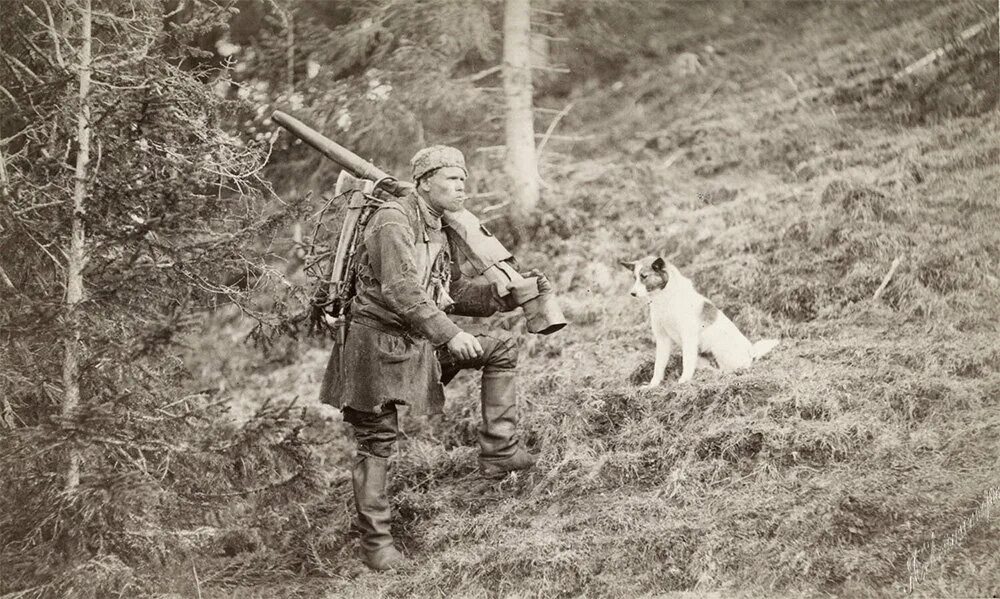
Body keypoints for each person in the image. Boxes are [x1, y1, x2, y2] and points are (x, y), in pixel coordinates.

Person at [318, 145, 552, 571]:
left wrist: (503, 297)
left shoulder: (439, 229)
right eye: (452, 179)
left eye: (464, 179)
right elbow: (401, 290)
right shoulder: (393, 220)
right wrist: (451, 334)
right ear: (425, 182)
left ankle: (500, 450)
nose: (462, 186)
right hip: (373, 347)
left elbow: (450, 292)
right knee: (377, 441)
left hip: (415, 344)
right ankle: (378, 547)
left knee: (500, 349)